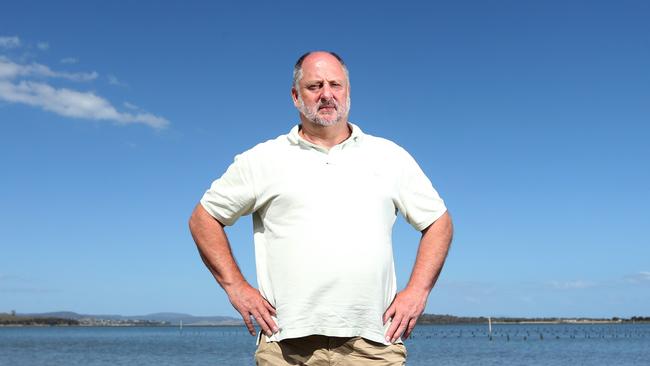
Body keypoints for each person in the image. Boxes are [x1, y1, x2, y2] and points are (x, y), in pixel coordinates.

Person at [189, 51, 453, 365]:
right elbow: (203, 218)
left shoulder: (389, 156)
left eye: (335, 85)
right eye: (315, 86)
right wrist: (236, 287)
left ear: (348, 92)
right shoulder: (261, 160)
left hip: (372, 345)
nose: (327, 94)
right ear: (295, 96)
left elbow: (438, 221)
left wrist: (418, 291)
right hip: (284, 345)